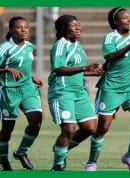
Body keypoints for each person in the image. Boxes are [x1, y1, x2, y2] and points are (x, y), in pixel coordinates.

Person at [84, 7, 130, 171]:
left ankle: (129, 157)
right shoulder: (110, 37)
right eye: (125, 18)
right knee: (103, 128)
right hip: (111, 87)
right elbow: (111, 57)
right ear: (116, 22)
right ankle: (92, 162)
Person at [0, 16, 43, 171]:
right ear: (11, 30)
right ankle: (3, 160)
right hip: (8, 91)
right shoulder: (4, 48)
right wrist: (7, 69)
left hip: (28, 88)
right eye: (19, 27)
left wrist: (32, 77)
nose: (23, 30)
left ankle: (21, 152)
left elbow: (24, 67)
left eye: (26, 27)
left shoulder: (30, 46)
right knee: (8, 128)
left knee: (36, 121)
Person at [47, 14, 104, 171]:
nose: (79, 28)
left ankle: (61, 149)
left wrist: (95, 72)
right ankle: (57, 166)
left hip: (79, 93)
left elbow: (77, 71)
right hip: (62, 92)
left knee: (90, 128)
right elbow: (59, 70)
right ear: (63, 29)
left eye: (79, 25)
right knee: (69, 129)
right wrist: (85, 68)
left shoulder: (77, 46)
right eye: (74, 25)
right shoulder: (60, 45)